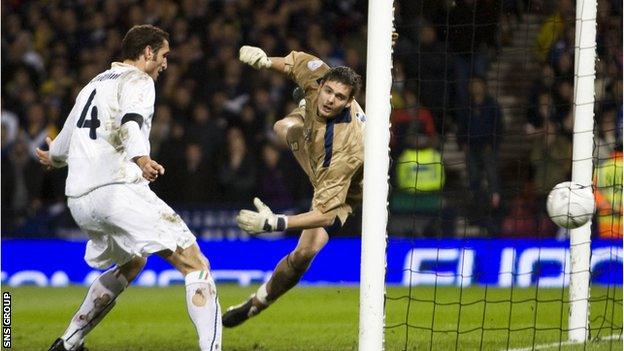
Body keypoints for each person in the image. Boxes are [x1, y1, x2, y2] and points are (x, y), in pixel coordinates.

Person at [35, 25, 222, 351]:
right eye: (164, 55)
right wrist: (141, 157)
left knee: (132, 261)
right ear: (147, 52)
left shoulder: (91, 86)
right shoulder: (138, 80)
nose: (166, 64)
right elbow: (131, 121)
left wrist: (51, 156)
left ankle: (67, 343)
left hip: (79, 200)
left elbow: (64, 144)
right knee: (195, 264)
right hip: (116, 189)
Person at [221, 46, 365, 327]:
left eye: (339, 98)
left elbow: (326, 214)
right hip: (319, 157)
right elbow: (293, 63)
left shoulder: (344, 149)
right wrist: (265, 61)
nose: (331, 100)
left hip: (348, 187)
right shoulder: (319, 74)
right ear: (321, 84)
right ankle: (301, 112)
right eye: (328, 92)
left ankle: (257, 303)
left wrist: (277, 222)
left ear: (348, 104)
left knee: (303, 254)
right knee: (281, 127)